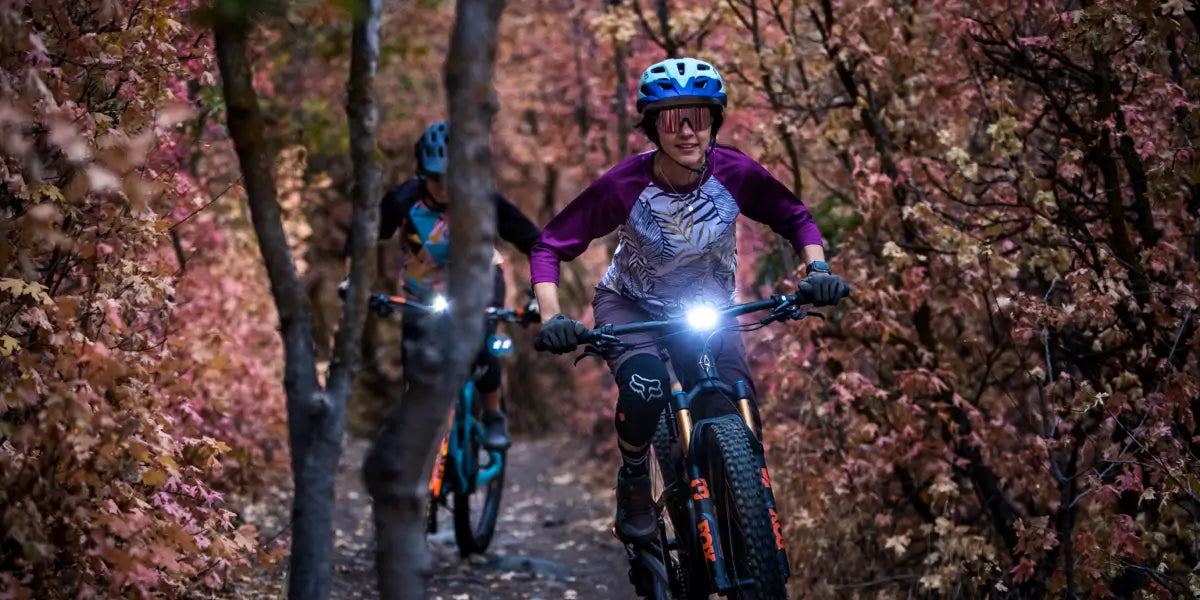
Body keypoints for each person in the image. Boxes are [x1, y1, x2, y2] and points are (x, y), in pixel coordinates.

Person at [529, 58, 849, 542]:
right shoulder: (625, 185)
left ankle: (745, 535)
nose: (685, 131)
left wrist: (818, 269)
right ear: (653, 126)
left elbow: (795, 216)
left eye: (697, 117)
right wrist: (552, 316)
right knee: (646, 385)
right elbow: (550, 246)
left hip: (711, 310)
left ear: (714, 122)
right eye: (670, 118)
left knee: (735, 412)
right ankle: (634, 477)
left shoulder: (735, 173)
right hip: (631, 306)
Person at [344, 121, 541, 450]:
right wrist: (352, 283)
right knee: (415, 363)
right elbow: (362, 238)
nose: (445, 188)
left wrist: (539, 294)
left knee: (481, 344)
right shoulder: (403, 200)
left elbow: (534, 242)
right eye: (437, 179)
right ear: (423, 174)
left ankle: (493, 414)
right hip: (422, 291)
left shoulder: (483, 201)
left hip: (479, 283)